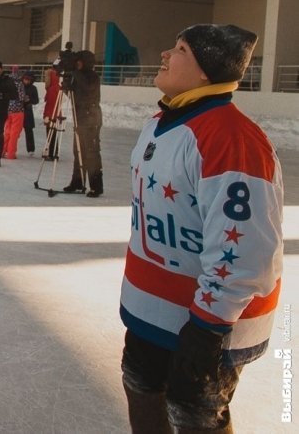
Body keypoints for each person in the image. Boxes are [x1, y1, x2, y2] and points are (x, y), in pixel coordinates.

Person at [120, 24, 283, 434]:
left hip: (204, 322)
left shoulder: (231, 138)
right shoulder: (160, 122)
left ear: (206, 71)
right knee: (141, 389)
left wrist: (210, 325)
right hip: (151, 313)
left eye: (179, 50)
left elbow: (246, 249)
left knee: (194, 418)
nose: (165, 54)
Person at [62, 50, 103, 197]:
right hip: (80, 117)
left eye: (79, 61)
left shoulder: (92, 76)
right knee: (78, 151)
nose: (77, 64)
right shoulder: (77, 75)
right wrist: (67, 84)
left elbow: (88, 88)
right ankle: (77, 182)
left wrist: (74, 73)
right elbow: (74, 95)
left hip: (92, 117)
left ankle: (96, 186)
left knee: (91, 152)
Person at [2, 66, 27, 159]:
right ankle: (11, 153)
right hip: (18, 111)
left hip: (8, 110)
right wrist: (25, 98)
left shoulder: (7, 82)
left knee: (7, 131)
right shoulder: (20, 84)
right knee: (14, 133)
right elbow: (21, 97)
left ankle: (2, 151)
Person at [42, 63, 62, 160]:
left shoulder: (51, 89)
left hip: (50, 115)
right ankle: (53, 151)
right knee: (53, 133)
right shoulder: (58, 87)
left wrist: (46, 116)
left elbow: (50, 105)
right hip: (55, 114)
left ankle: (51, 153)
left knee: (51, 133)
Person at [20, 71, 39, 156]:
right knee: (14, 131)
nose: (26, 81)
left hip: (28, 112)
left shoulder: (33, 88)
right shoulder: (19, 86)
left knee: (29, 130)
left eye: (28, 80)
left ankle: (31, 149)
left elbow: (36, 100)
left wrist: (29, 100)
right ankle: (10, 147)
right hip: (18, 110)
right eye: (25, 79)